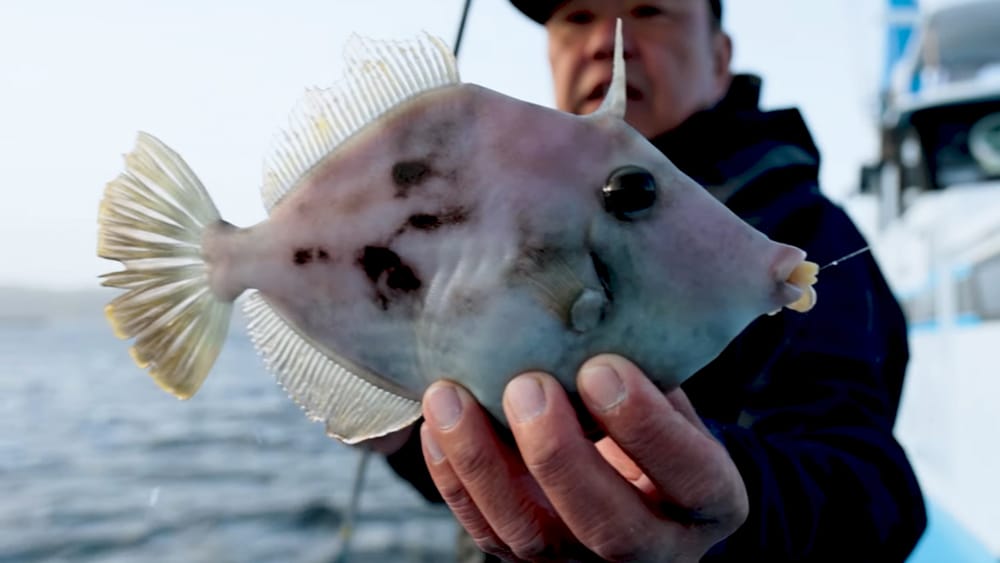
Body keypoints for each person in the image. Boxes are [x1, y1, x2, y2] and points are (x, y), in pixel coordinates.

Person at [379, 0, 928, 560]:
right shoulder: (501, 223)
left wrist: (719, 496)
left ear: (720, 58)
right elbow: (488, 435)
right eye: (576, 17)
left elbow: (872, 491)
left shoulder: (799, 232)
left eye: (648, 9)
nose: (605, 41)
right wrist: (404, 435)